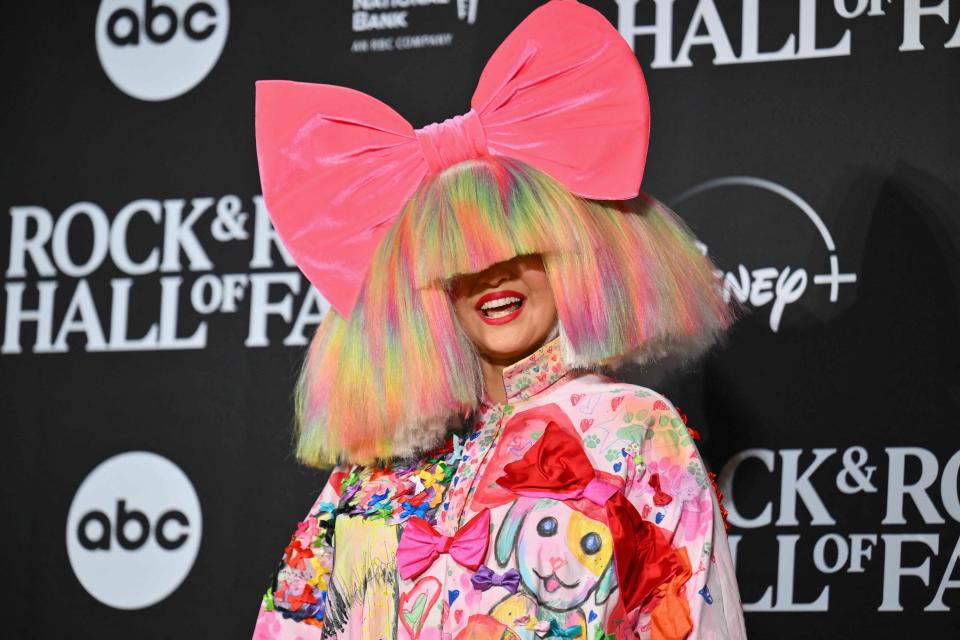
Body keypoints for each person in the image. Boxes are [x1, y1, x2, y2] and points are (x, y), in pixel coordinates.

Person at [252, 2, 746, 639]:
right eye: (460, 262)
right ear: (430, 290)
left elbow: (693, 623)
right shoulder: (371, 470)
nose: (492, 277)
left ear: (573, 258)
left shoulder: (634, 430)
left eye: (518, 251)